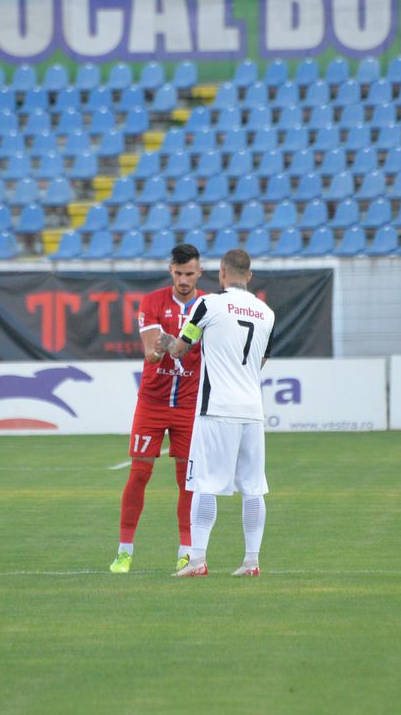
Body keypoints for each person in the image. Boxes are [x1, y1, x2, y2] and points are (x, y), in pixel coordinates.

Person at [158, 249, 276, 578]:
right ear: (249, 276)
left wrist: (163, 341)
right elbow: (261, 361)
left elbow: (181, 349)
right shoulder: (267, 313)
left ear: (221, 272)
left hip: (217, 408)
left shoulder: (208, 304)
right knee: (253, 486)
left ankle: (197, 560)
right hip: (252, 410)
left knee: (205, 483)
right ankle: (251, 561)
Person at [110, 244, 205, 574]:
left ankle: (186, 552)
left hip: (189, 406)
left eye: (189, 273)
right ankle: (124, 552)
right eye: (178, 273)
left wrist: (170, 342)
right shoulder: (152, 302)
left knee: (187, 481)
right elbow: (152, 352)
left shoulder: (208, 306)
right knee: (139, 474)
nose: (183, 279)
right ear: (171, 271)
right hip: (152, 402)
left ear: (199, 273)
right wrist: (174, 344)